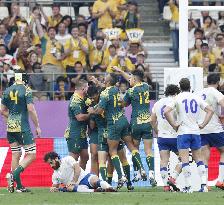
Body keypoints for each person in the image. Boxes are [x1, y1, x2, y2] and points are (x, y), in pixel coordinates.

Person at [89, 73, 147, 188]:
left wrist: (92, 110)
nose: (104, 77)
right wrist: (97, 83)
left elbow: (99, 111)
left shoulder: (105, 93)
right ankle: (141, 168)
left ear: (108, 80)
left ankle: (120, 176)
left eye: (105, 76)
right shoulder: (115, 90)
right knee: (131, 146)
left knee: (112, 152)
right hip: (123, 120)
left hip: (113, 125)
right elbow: (120, 102)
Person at [164, 78, 214, 193]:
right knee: (199, 159)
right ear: (190, 86)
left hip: (183, 132)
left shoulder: (178, 98)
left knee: (184, 160)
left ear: (180, 87)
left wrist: (174, 125)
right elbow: (210, 110)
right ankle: (204, 185)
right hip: (195, 132)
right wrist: (203, 124)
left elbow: (166, 111)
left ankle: (189, 186)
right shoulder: (196, 97)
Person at [87, 85, 134, 190]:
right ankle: (128, 182)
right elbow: (121, 108)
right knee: (119, 158)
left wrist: (91, 115)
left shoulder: (94, 107)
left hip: (103, 134)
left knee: (104, 160)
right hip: (115, 131)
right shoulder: (110, 100)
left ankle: (106, 183)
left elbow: (92, 125)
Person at [1, 70, 41, 193]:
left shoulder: (7, 90)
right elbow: (31, 109)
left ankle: (17, 186)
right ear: (24, 79)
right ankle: (13, 175)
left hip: (10, 126)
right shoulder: (26, 90)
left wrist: (11, 117)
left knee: (16, 154)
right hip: (22, 126)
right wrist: (37, 126)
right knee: (32, 154)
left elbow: (2, 110)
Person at [122, 70, 156, 186]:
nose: (129, 80)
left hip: (136, 123)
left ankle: (137, 173)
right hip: (147, 122)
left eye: (130, 78)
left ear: (135, 80)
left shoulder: (130, 91)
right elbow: (133, 78)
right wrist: (121, 71)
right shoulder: (146, 86)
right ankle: (151, 173)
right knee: (148, 150)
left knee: (134, 149)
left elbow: (125, 104)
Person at [151, 84, 181, 192]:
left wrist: (157, 131)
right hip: (175, 136)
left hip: (162, 137)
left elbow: (152, 120)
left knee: (164, 161)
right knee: (184, 158)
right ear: (176, 93)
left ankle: (166, 186)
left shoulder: (158, 103)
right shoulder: (176, 102)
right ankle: (173, 178)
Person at [198, 73, 224, 190]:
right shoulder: (216, 92)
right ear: (218, 83)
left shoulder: (198, 93)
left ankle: (205, 185)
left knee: (204, 156)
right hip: (214, 128)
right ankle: (220, 180)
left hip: (201, 129)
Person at [44, 152, 116, 192]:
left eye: (51, 162)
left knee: (95, 181)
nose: (51, 165)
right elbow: (55, 186)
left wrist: (73, 181)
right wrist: (53, 188)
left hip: (86, 177)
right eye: (49, 164)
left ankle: (109, 188)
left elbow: (77, 169)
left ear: (56, 158)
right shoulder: (55, 175)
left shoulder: (67, 159)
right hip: (78, 186)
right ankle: (96, 191)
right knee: (70, 188)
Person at [64, 79, 90, 170]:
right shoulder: (75, 101)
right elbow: (79, 117)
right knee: (73, 159)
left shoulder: (83, 99)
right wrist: (92, 113)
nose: (88, 89)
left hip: (82, 134)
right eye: (87, 87)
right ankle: (68, 180)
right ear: (83, 89)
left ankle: (80, 178)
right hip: (74, 133)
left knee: (85, 156)